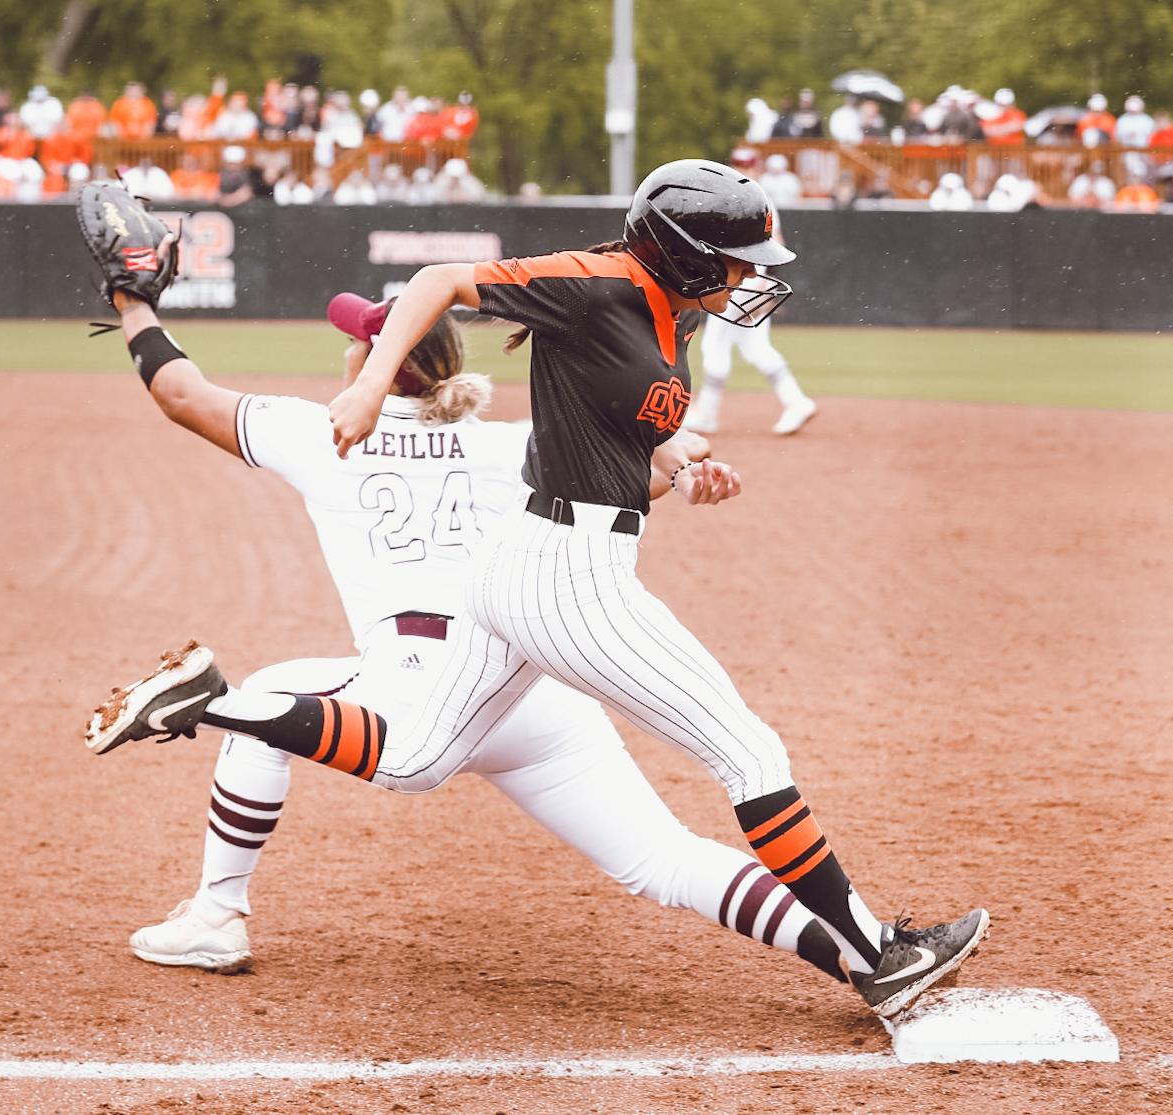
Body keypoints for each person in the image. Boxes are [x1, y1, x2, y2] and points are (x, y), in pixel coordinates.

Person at [88, 161, 989, 1019]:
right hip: (563, 583)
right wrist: (374, 389)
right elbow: (471, 313)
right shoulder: (524, 398)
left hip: (502, 597)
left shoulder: (315, 429)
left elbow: (181, 392)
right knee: (746, 756)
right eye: (736, 259)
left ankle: (220, 718)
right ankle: (876, 952)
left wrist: (134, 300)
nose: (751, 275)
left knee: (408, 759)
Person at [681, 189, 815, 436]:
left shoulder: (741, 198)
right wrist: (765, 279)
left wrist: (762, 279)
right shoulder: (761, 198)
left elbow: (772, 242)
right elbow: (777, 243)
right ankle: (796, 401)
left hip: (740, 281)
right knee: (755, 347)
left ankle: (707, 414)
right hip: (753, 280)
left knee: (715, 344)